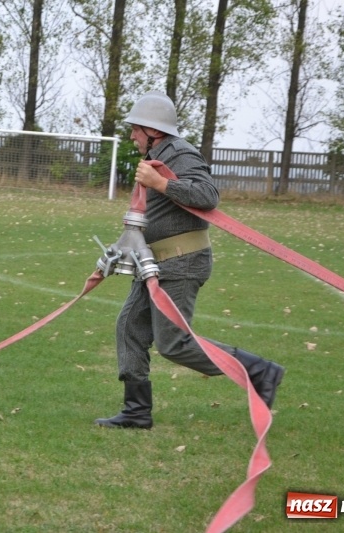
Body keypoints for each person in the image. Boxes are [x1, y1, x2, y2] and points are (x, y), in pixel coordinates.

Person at [95, 90, 285, 429]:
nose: (132, 135)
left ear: (153, 130)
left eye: (136, 129)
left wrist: (162, 182)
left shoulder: (180, 154)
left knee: (173, 343)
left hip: (181, 263)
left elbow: (207, 196)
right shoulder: (160, 151)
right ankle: (137, 412)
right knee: (130, 327)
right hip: (155, 263)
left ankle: (258, 371)